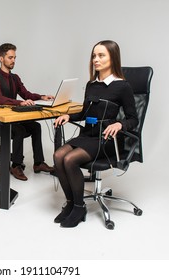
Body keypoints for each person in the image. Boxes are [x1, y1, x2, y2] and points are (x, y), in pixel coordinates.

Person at [53, 40, 138, 227]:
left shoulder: (122, 86)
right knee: (58, 155)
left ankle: (79, 206)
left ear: (112, 58)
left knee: (69, 159)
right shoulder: (91, 84)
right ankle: (70, 204)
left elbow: (133, 119)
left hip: (106, 139)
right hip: (88, 135)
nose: (95, 60)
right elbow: (85, 113)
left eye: (101, 55)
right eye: (94, 56)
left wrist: (119, 124)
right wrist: (68, 115)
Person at [0, 43, 55, 181]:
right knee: (18, 130)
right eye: (10, 57)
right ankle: (16, 165)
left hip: (14, 116)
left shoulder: (15, 78)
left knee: (36, 126)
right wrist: (20, 103)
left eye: (14, 57)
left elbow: (25, 93)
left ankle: (38, 163)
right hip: (1, 120)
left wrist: (42, 97)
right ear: (1, 58)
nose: (13, 60)